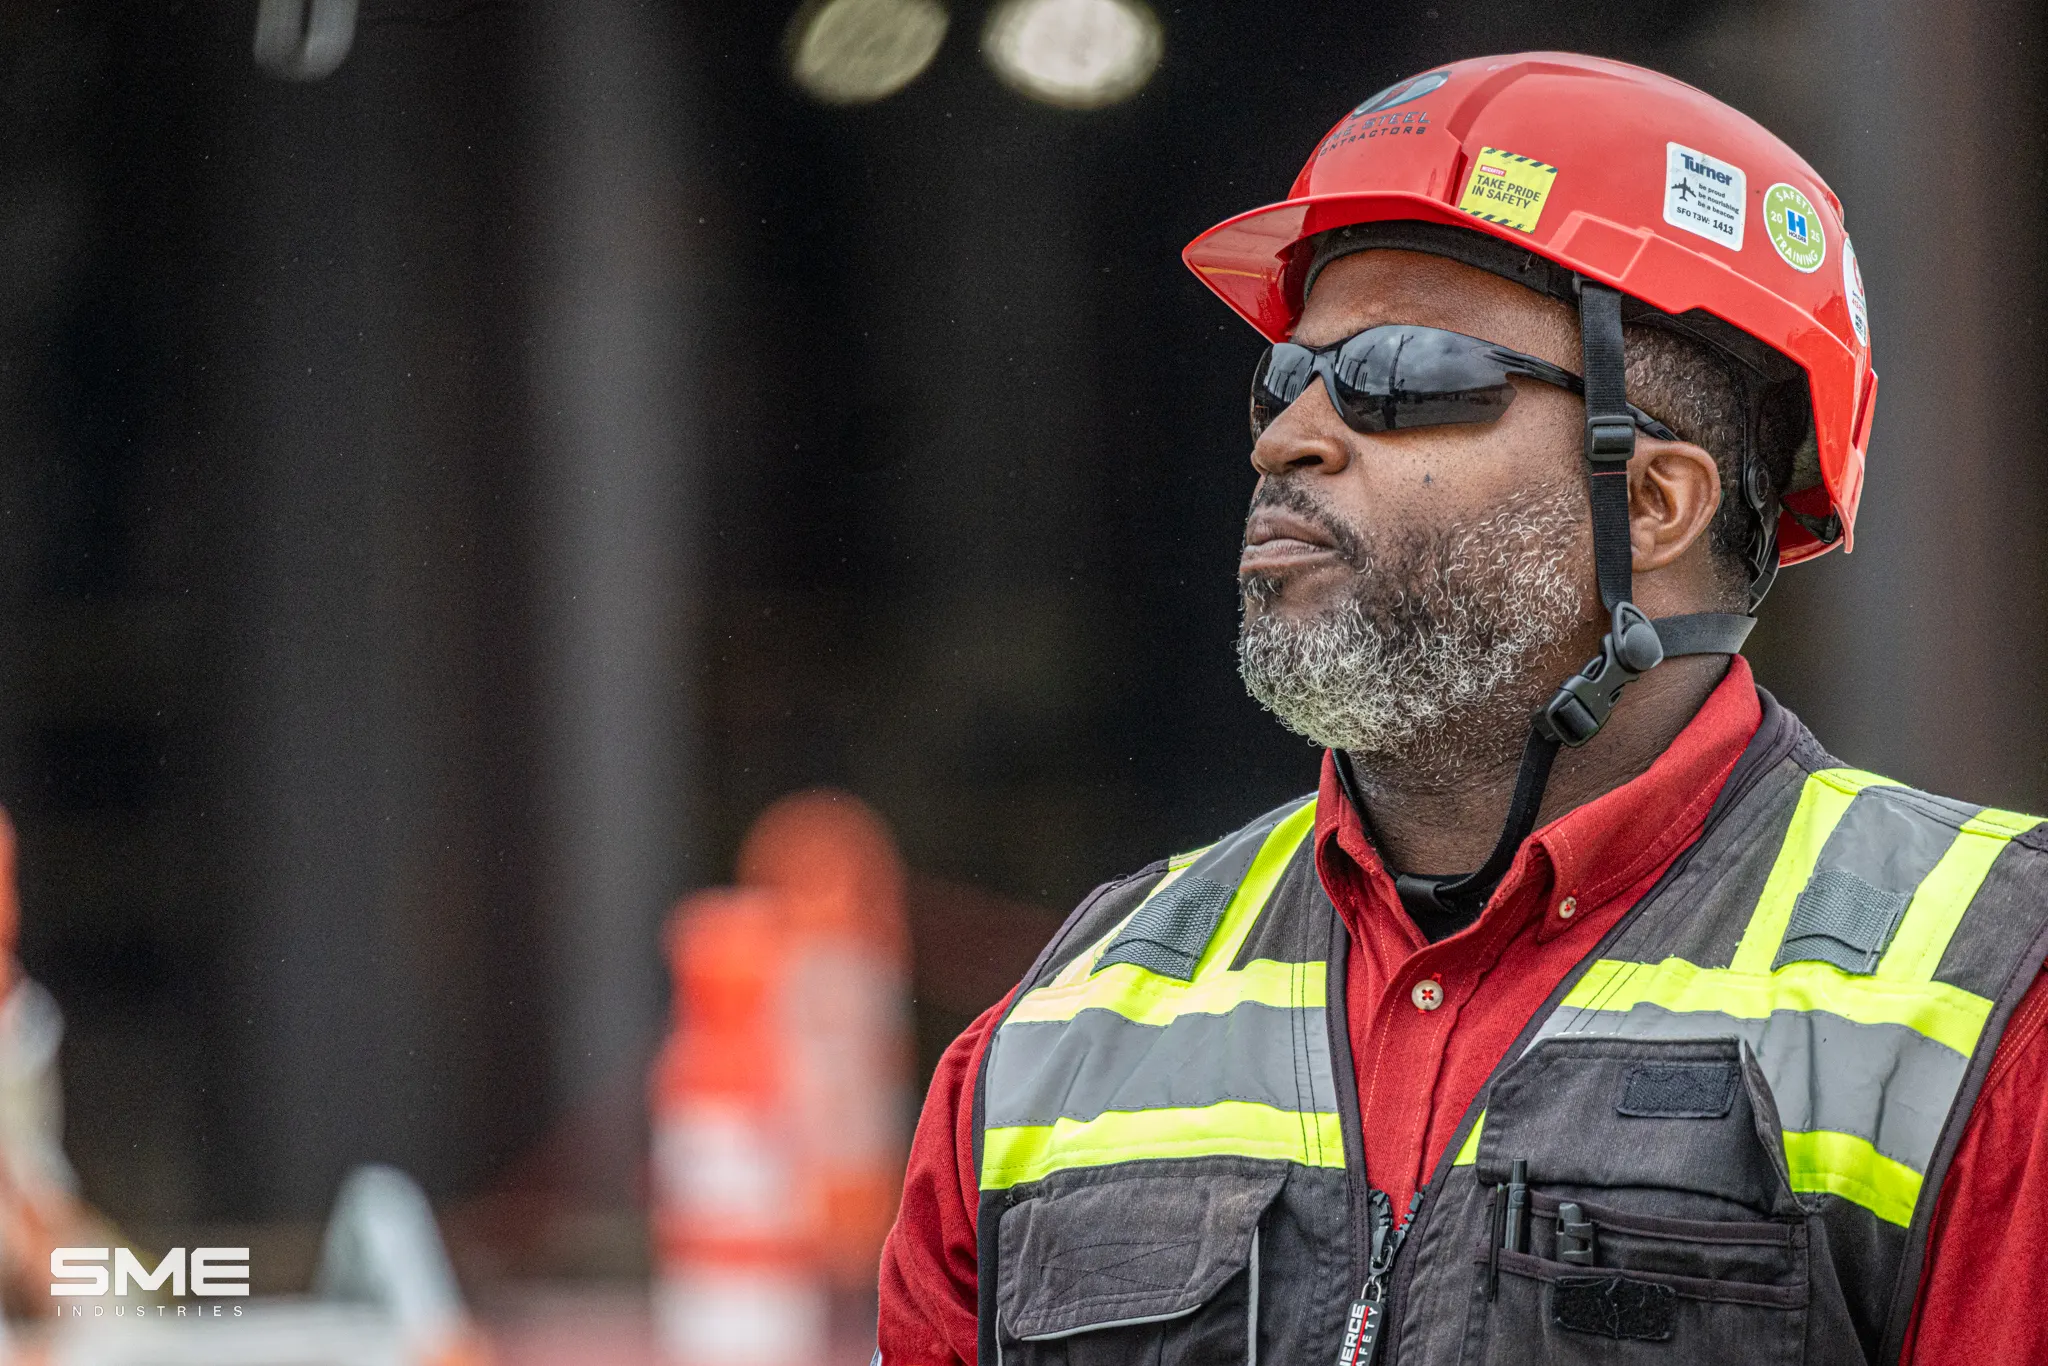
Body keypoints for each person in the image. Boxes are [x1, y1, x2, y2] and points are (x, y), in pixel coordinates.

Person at [876, 52, 2048, 1365]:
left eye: (1400, 373)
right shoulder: (1057, 1033)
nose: (1288, 437)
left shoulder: (1994, 1003)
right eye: (1283, 379)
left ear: (1654, 504)